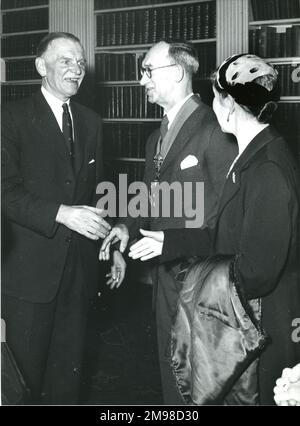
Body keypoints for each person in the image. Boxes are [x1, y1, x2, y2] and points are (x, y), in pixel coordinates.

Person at [128, 54, 300, 405]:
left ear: (231, 104)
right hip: (251, 316)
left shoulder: (267, 168)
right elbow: (228, 235)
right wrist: (171, 241)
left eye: (216, 96)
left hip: (262, 323)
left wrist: (196, 281)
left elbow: (257, 271)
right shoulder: (253, 154)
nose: (213, 105)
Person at [100, 40, 237, 404]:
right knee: (171, 369)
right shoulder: (154, 136)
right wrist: (125, 225)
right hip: (165, 275)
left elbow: (231, 216)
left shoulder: (216, 128)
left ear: (177, 73)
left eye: (147, 70)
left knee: (204, 376)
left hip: (206, 281)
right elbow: (149, 191)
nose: (141, 79)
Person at [1, 32, 126, 405]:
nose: (76, 69)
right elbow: (3, 191)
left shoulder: (91, 121)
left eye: (80, 62)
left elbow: (100, 189)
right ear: (42, 67)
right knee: (20, 385)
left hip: (78, 275)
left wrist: (115, 236)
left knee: (66, 384)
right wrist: (60, 213)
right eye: (66, 61)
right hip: (27, 277)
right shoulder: (10, 118)